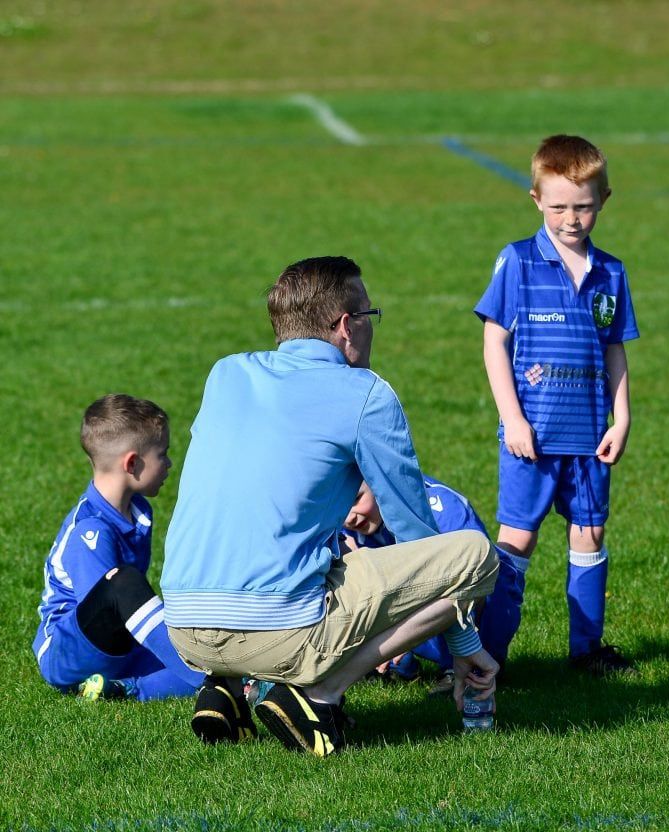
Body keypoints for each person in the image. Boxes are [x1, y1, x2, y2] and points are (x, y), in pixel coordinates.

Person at [162, 256, 499, 756]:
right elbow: (421, 537)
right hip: (277, 631)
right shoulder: (365, 394)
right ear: (346, 326)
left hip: (184, 627)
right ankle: (319, 695)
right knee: (473, 554)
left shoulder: (225, 374)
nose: (370, 328)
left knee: (301, 545)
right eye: (370, 315)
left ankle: (227, 686)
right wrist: (466, 648)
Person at [475, 135, 638, 675]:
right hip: (531, 439)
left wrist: (622, 417)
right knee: (516, 541)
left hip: (590, 439)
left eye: (584, 206)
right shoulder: (517, 262)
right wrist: (512, 418)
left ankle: (586, 652)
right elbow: (494, 342)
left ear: (605, 199)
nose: (572, 218)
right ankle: (486, 659)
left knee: (589, 534)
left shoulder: (612, 272)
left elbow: (613, 349)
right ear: (536, 200)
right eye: (560, 206)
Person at [33, 394, 206, 704]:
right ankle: (202, 671)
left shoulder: (139, 511)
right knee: (123, 583)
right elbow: (109, 602)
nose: (168, 464)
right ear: (132, 463)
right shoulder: (90, 530)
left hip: (115, 648)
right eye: (162, 454)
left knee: (222, 659)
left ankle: (124, 690)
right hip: (67, 652)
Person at [344, 475, 528, 695]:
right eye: (341, 507)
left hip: (483, 597)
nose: (350, 517)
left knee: (488, 598)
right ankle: (403, 664)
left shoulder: (438, 505)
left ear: (376, 481)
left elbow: (476, 575)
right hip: (422, 599)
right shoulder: (347, 524)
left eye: (356, 500)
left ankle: (468, 667)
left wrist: (402, 632)